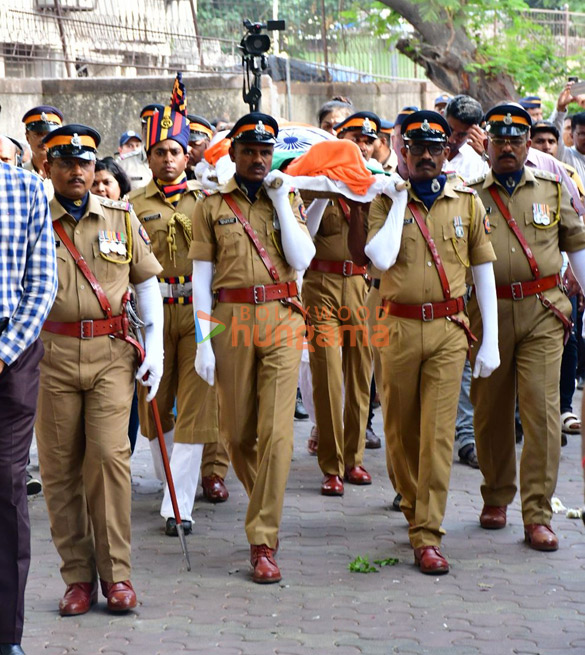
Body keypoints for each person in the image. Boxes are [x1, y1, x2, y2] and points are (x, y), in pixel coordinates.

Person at [360, 110, 499, 574]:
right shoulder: (383, 200)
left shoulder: (467, 202)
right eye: (415, 148)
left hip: (447, 330)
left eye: (434, 149)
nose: (425, 157)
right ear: (402, 150)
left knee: (438, 436)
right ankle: (414, 506)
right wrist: (399, 199)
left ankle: (428, 533)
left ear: (446, 153)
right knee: (400, 432)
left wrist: (491, 342)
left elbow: (483, 275)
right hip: (394, 326)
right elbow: (379, 257)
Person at [35, 123, 164, 615]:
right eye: (65, 162)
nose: (76, 171)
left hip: (112, 353)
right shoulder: (33, 218)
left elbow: (146, 281)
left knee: (110, 461)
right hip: (51, 354)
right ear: (48, 167)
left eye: (84, 163)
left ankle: (118, 577)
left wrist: (156, 350)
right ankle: (77, 579)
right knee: (60, 467)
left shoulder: (119, 217)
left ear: (95, 168)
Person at [191, 112, 315, 583]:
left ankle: (263, 538)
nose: (259, 159)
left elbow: (302, 259)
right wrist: (205, 342)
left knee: (278, 433)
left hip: (282, 315)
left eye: (266, 151)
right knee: (239, 434)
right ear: (234, 154)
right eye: (250, 151)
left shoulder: (288, 194)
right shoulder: (210, 205)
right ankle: (264, 500)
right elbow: (202, 281)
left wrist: (283, 202)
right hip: (230, 318)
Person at [467, 103, 585, 551]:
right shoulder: (469, 192)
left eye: (518, 140)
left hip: (542, 310)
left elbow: (576, 246)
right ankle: (496, 494)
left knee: (541, 411)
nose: (509, 148)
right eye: (501, 140)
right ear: (489, 144)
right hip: (487, 313)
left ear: (527, 144)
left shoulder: (555, 187)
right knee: (490, 410)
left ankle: (537, 513)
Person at [302, 111, 379, 496]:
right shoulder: (315, 180)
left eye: (368, 142)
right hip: (321, 285)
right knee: (328, 375)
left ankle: (355, 459)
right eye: (354, 141)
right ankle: (331, 466)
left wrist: (360, 197)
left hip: (360, 286)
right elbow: (305, 233)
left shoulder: (372, 185)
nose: (361, 148)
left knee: (360, 377)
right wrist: (327, 190)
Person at [0, 161, 58, 655]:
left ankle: (6, 634)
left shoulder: (26, 189)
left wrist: (4, 351)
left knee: (6, 486)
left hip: (10, 354)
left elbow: (42, 284)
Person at [551, 83, 585, 185]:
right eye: (583, 134)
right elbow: (554, 131)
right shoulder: (565, 156)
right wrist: (560, 108)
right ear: (571, 135)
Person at [21, 105, 63, 179]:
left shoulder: (66, 173)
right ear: (27, 137)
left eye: (49, 134)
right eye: (38, 134)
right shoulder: (20, 173)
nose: (44, 139)